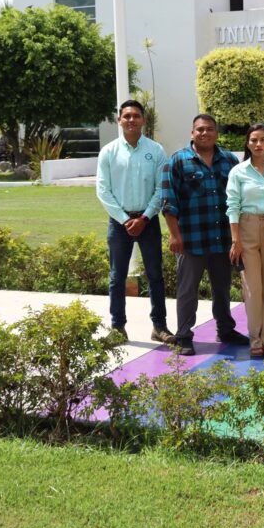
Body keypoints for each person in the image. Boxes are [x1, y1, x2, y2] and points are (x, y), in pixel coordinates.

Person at [161, 113, 247, 356]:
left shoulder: (229, 160)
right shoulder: (177, 161)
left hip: (222, 239)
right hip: (191, 240)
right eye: (199, 129)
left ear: (216, 133)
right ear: (192, 133)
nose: (204, 133)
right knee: (187, 290)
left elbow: (238, 199)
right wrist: (175, 235)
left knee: (222, 288)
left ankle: (225, 329)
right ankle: (184, 335)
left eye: (209, 129)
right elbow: (168, 201)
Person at [95, 100, 170, 346]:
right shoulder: (109, 152)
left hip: (148, 222)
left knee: (155, 275)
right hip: (120, 223)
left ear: (143, 120)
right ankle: (118, 327)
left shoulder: (156, 151)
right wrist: (127, 219)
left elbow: (161, 189)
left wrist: (145, 217)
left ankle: (159, 326)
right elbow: (103, 191)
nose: (131, 120)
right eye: (126, 116)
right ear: (119, 120)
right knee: (117, 277)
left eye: (136, 116)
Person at [226, 124, 264, 358]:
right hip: (246, 228)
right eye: (253, 140)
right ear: (247, 144)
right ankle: (255, 338)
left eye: (262, 140)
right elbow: (232, 205)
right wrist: (235, 240)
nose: (258, 144)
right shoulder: (238, 172)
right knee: (252, 288)